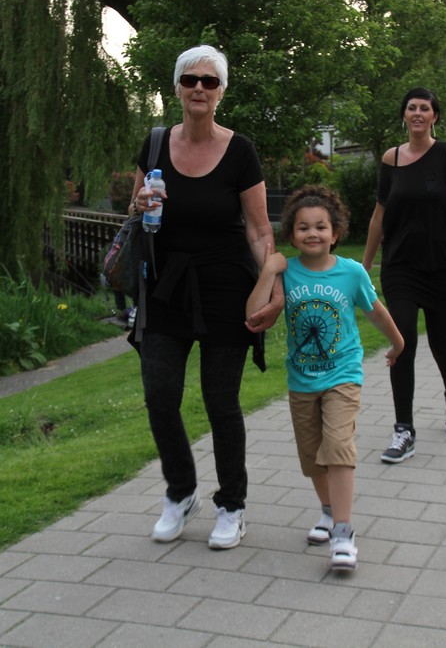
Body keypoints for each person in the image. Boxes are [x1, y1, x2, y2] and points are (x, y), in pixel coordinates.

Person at [128, 44, 282, 550]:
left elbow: (259, 230)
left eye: (209, 81)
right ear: (177, 88)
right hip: (165, 286)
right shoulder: (154, 145)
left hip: (226, 287)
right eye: (190, 79)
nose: (199, 88)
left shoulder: (241, 151)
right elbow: (135, 210)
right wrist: (140, 203)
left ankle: (232, 506)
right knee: (159, 395)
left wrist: (273, 287)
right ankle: (181, 491)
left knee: (221, 401)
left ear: (220, 93)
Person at [246, 185, 404, 570]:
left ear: (335, 233)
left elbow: (375, 311)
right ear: (292, 234)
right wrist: (269, 270)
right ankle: (329, 511)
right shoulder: (286, 272)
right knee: (312, 458)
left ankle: (344, 533)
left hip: (342, 375)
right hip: (301, 380)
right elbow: (253, 314)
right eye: (303, 227)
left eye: (320, 226)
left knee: (337, 447)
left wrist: (398, 343)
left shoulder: (351, 273)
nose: (312, 233)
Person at [362, 87, 446, 464]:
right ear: (404, 115)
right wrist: (365, 265)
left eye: (425, 108)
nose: (417, 113)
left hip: (441, 266)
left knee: (442, 344)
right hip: (400, 267)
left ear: (434, 116)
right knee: (403, 341)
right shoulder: (391, 159)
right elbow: (379, 215)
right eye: (411, 107)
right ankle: (404, 430)